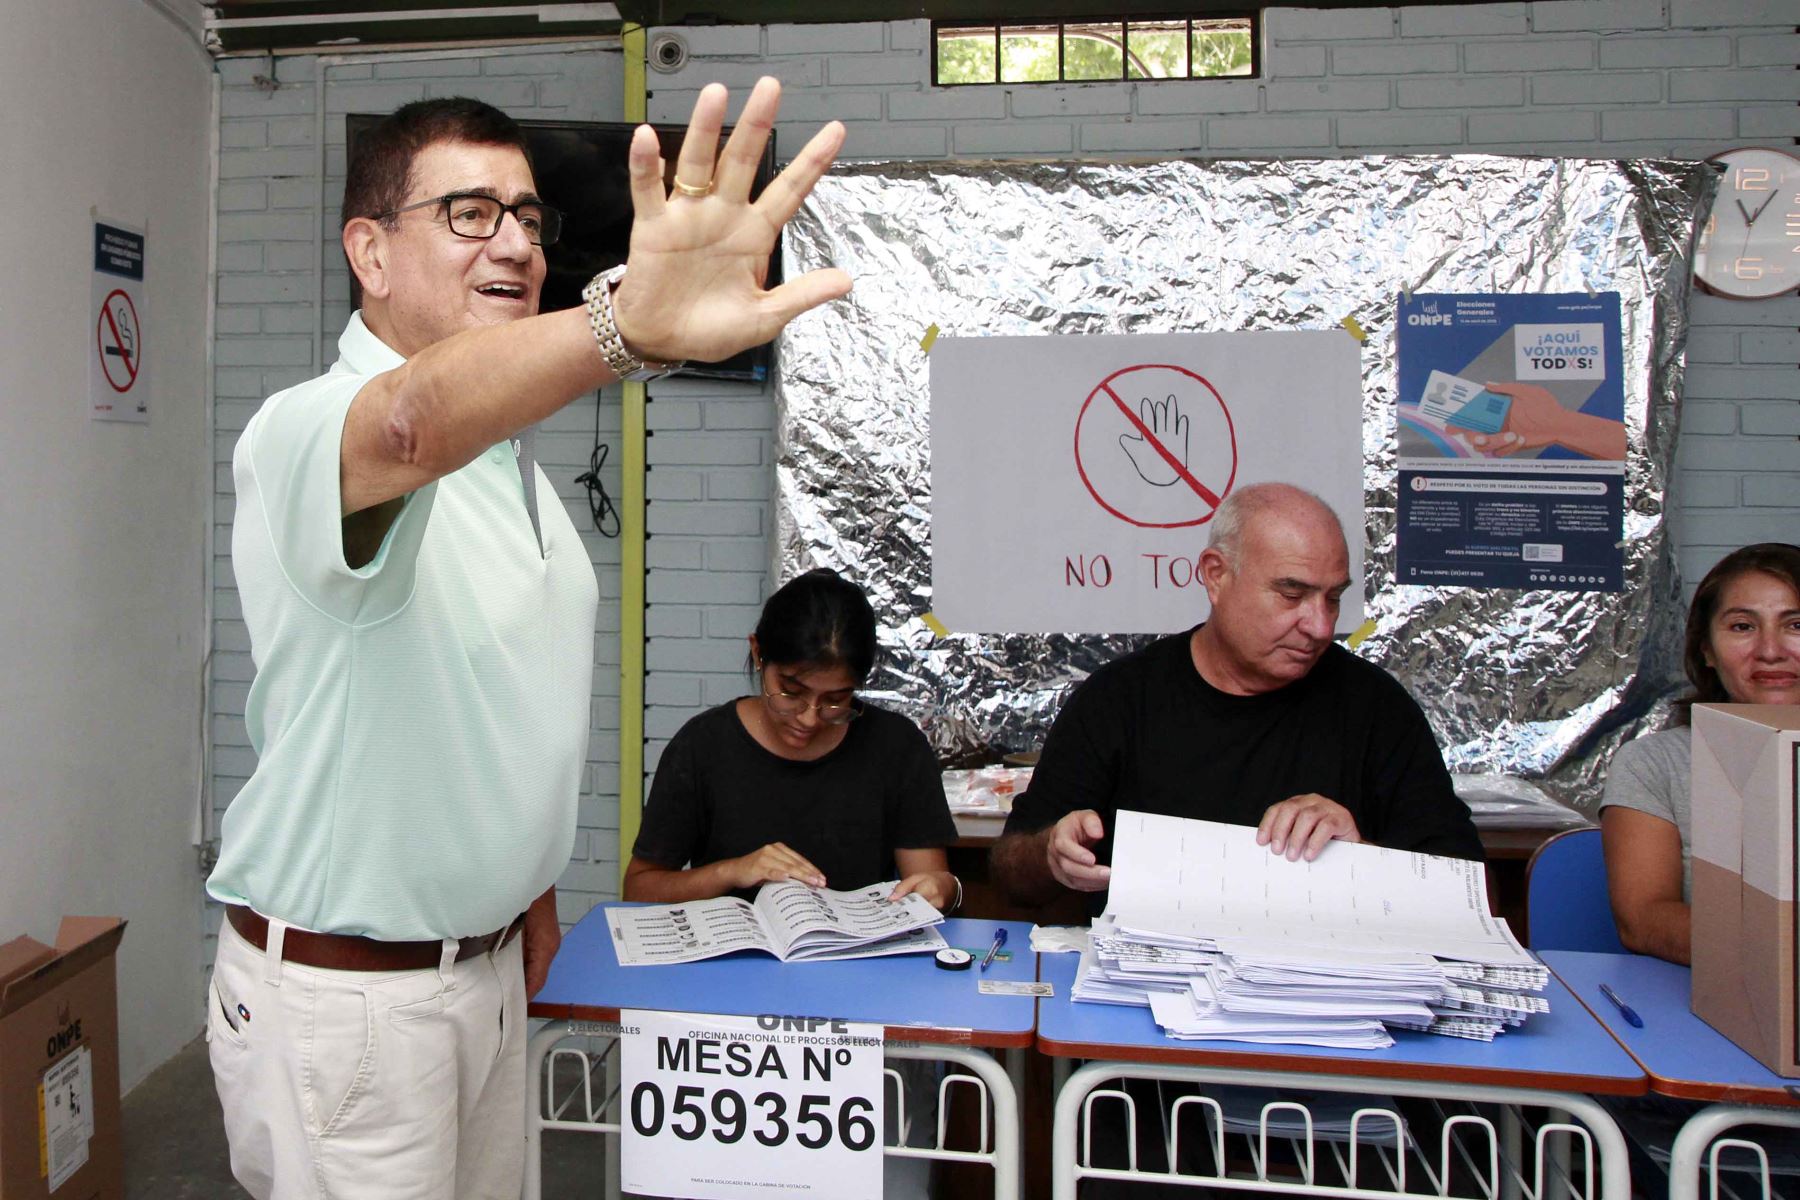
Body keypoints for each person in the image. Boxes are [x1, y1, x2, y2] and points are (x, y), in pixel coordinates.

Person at [204, 80, 852, 1198]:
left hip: (486, 970)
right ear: (369, 252)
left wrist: (526, 897)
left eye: (527, 217)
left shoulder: (512, 463)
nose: (513, 243)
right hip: (352, 1007)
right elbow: (412, 418)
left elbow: (490, 706)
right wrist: (623, 328)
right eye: (467, 214)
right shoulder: (307, 429)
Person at [991, 481, 1482, 912]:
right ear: (1216, 575)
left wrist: (1362, 859)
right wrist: (1050, 853)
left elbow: (1474, 897)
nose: (1320, 626)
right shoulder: (1120, 700)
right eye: (1292, 595)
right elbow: (1011, 873)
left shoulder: (1375, 708)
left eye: (1333, 598)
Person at [623, 568, 959, 910]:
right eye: (790, 692)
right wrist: (732, 871)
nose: (809, 718)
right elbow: (639, 890)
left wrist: (944, 889)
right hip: (733, 944)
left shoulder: (896, 747)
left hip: (860, 943)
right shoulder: (703, 746)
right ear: (758, 654)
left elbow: (929, 884)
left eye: (835, 700)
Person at [1600, 542, 1800, 965]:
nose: (1770, 650)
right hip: (1720, 991)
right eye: (1742, 626)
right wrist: (1778, 953)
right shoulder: (1654, 764)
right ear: (1706, 649)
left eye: (1796, 625)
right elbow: (1642, 919)